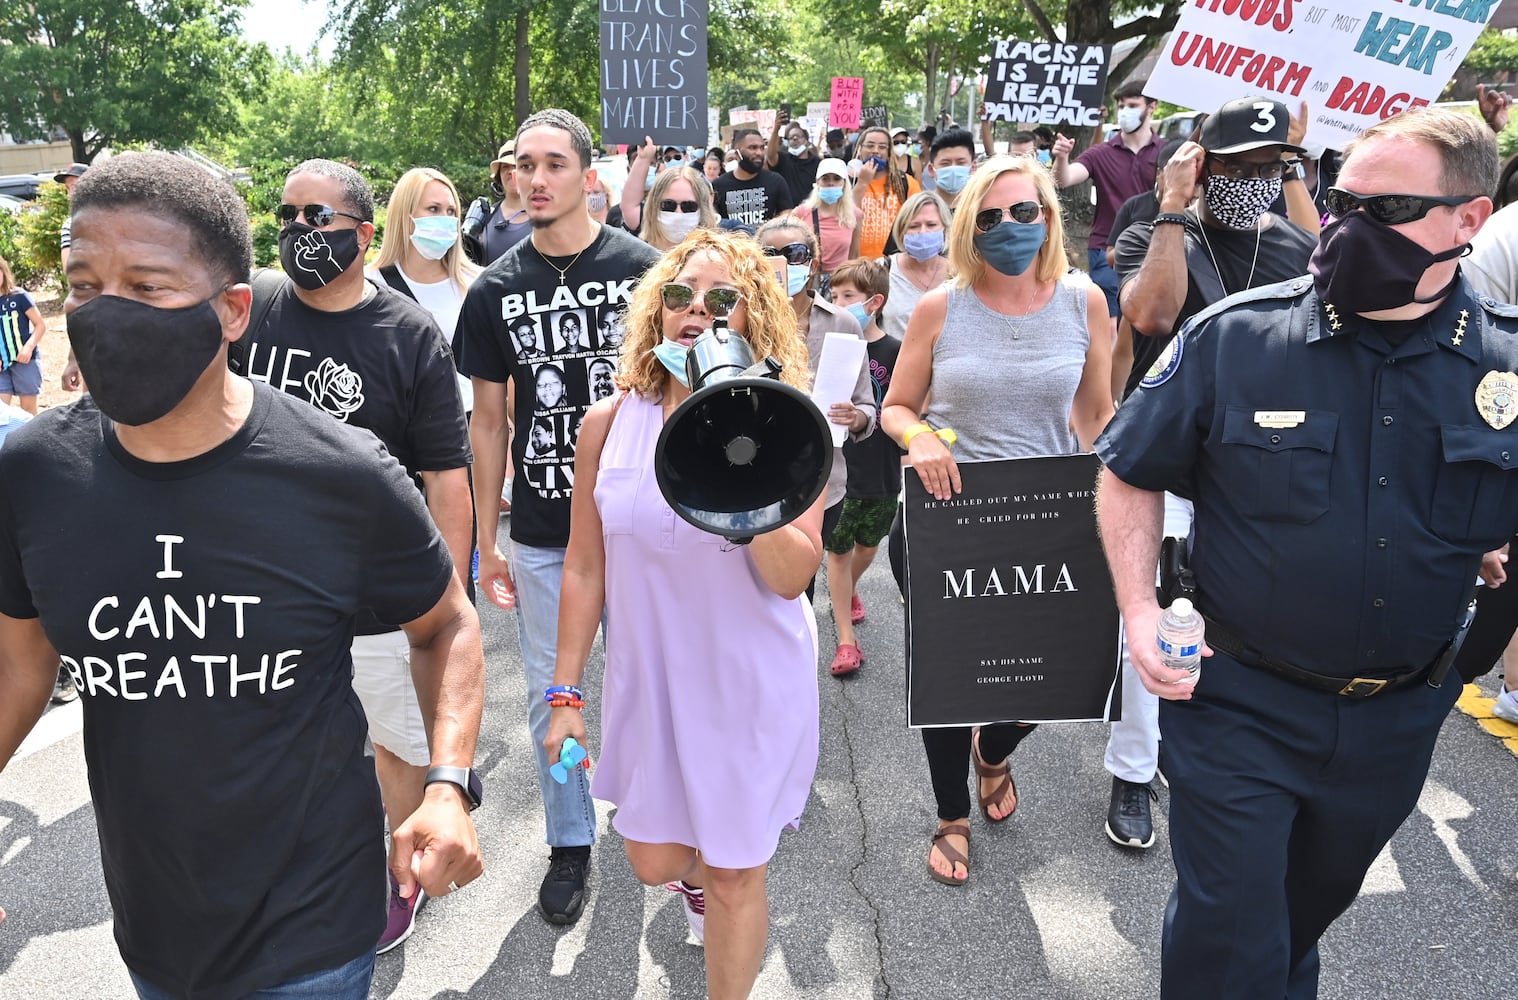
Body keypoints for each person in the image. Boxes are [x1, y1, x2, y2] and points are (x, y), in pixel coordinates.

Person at [0, 150, 485, 1000]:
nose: (107, 314)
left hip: (314, 924)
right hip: (153, 922)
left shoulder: (340, 473)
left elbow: (444, 622)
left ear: (230, 312)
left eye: (147, 288)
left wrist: (446, 783)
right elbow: (19, 661)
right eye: (82, 286)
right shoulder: (35, 473)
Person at [1095, 106, 1509, 999]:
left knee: (1299, 915)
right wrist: (1135, 607)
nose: (1350, 226)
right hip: (1241, 703)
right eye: (1340, 200)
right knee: (1229, 932)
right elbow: (1128, 469)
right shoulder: (1239, 338)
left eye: (1386, 210)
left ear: (1469, 220)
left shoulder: (1505, 368)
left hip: (1397, 717)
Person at [543, 228, 822, 1000]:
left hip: (748, 682)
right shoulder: (606, 423)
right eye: (680, 296)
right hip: (653, 681)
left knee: (737, 873)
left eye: (723, 300)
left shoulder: (786, 423)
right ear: (656, 313)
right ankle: (698, 883)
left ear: (752, 319)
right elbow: (584, 565)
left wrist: (750, 470)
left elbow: (794, 574)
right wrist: (564, 697)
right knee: (654, 860)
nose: (697, 312)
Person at [240, 158, 475, 954]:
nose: (298, 232)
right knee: (282, 739)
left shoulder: (407, 335)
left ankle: (398, 871)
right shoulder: (255, 308)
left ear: (364, 235)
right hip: (267, 584)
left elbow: (448, 475)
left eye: (318, 219)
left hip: (374, 592)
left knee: (394, 745)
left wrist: (448, 593)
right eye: (287, 215)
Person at [880, 154, 1114, 885]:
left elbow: (1096, 411)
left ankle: (997, 749)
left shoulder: (1085, 303)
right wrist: (916, 436)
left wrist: (1113, 486)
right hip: (948, 520)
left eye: (1022, 212)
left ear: (1047, 216)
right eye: (988, 217)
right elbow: (897, 406)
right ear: (968, 228)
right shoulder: (940, 308)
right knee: (953, 681)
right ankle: (952, 815)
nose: (1008, 227)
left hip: (1049, 523)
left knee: (1060, 676)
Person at [456, 108, 662, 926]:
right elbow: (488, 421)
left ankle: (658, 821)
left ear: (588, 177)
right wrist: (486, 539)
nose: (534, 180)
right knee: (555, 694)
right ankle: (571, 839)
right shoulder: (494, 290)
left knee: (652, 683)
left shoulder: (647, 271)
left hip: (642, 522)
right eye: (522, 167)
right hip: (543, 531)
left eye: (552, 165)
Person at [755, 216, 876, 611]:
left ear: (813, 259)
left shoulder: (842, 322)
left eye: (795, 253)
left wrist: (856, 417)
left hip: (825, 478)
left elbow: (865, 404)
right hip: (760, 475)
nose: (784, 263)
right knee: (758, 581)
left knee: (800, 584)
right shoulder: (745, 322)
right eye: (771, 255)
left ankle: (797, 663)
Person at [824, 258, 902, 675]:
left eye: (847, 297)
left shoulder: (894, 351)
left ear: (874, 302)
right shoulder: (832, 346)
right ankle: (845, 641)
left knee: (869, 545)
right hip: (840, 468)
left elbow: (910, 404)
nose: (837, 304)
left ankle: (850, 589)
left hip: (883, 468)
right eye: (833, 296)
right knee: (837, 551)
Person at [1051, 80, 1164, 329]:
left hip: (1156, 248)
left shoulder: (1167, 152)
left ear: (1152, 107)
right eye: (1121, 106)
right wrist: (1061, 158)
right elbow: (1064, 178)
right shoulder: (1100, 153)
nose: (1125, 111)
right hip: (1106, 249)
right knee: (1110, 326)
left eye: (1132, 105)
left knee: (1147, 325)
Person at [369, 166, 482, 415]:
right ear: (405, 215)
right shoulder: (370, 284)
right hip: (398, 429)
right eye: (433, 209)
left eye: (451, 211)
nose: (444, 218)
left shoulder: (478, 284)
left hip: (469, 426)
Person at [880, 192, 952, 340]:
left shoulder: (959, 276)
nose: (923, 232)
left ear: (945, 229)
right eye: (914, 226)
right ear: (901, 230)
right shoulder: (882, 270)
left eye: (931, 225)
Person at [854, 126, 922, 259]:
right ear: (859, 149)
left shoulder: (906, 183)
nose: (875, 151)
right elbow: (843, 217)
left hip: (893, 263)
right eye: (870, 145)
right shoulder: (848, 181)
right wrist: (862, 183)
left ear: (890, 152)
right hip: (855, 264)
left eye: (882, 147)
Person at [791, 158, 860, 284]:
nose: (831, 183)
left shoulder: (855, 215)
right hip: (809, 281)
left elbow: (854, 255)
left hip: (840, 281)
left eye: (836, 179)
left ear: (844, 183)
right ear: (818, 182)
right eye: (825, 178)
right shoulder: (801, 213)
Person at [712, 128, 794, 227]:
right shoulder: (719, 185)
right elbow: (713, 223)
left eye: (762, 148)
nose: (759, 153)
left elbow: (788, 220)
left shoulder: (776, 181)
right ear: (737, 154)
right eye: (752, 148)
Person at [468, 141, 532, 265]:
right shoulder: (485, 215)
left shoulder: (545, 215)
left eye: (516, 166)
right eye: (505, 167)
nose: (510, 171)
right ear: (498, 176)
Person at [635, 165, 720, 252]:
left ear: (702, 209)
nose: (678, 213)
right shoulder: (638, 257)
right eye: (668, 205)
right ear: (654, 206)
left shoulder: (716, 258)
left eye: (689, 206)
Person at [0, 255, 46, 416]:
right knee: (2, 412)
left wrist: (28, 347)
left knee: (28, 410)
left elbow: (40, 325)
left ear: (3, 272)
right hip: (1, 366)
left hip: (25, 360)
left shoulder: (18, 296)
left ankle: (33, 441)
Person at [767, 109, 821, 206]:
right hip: (787, 213)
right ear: (787, 142)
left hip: (811, 212)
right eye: (791, 137)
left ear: (806, 141)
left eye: (798, 136)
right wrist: (776, 129)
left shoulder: (817, 163)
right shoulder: (783, 160)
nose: (795, 139)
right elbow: (770, 156)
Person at [924, 128, 976, 210]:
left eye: (960, 163)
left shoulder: (981, 209)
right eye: (945, 163)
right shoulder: (919, 209)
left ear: (973, 168)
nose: (953, 169)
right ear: (931, 170)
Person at [54, 162, 87, 270]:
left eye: (74, 186)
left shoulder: (110, 216)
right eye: (68, 188)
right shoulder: (70, 224)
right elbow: (68, 267)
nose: (70, 194)